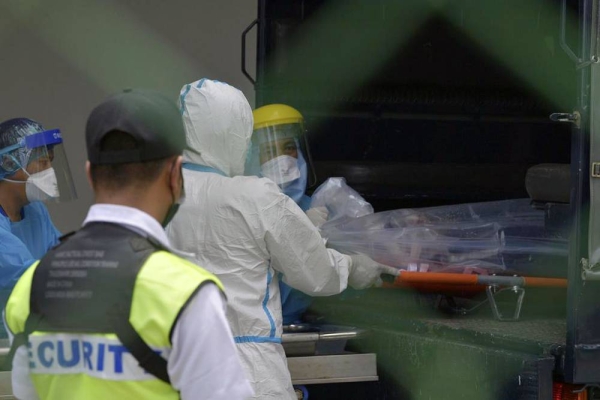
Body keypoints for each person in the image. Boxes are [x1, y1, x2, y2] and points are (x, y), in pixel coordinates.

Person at [4, 89, 253, 400]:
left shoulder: (31, 288)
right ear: (176, 174)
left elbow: (28, 394)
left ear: (90, 175)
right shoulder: (187, 293)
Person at [167, 78, 396, 399]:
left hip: (177, 367)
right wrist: (354, 266)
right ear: (232, 133)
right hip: (248, 373)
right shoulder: (253, 196)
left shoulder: (159, 197)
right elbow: (316, 273)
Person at [246, 104, 329, 325]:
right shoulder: (245, 208)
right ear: (253, 159)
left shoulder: (316, 207)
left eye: (289, 147)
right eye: (270, 152)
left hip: (297, 323)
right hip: (255, 327)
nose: (283, 159)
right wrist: (302, 232)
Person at [0, 118, 76, 291]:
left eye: (51, 161)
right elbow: (29, 277)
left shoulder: (34, 210)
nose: (50, 171)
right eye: (43, 162)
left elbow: (59, 255)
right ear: (9, 163)